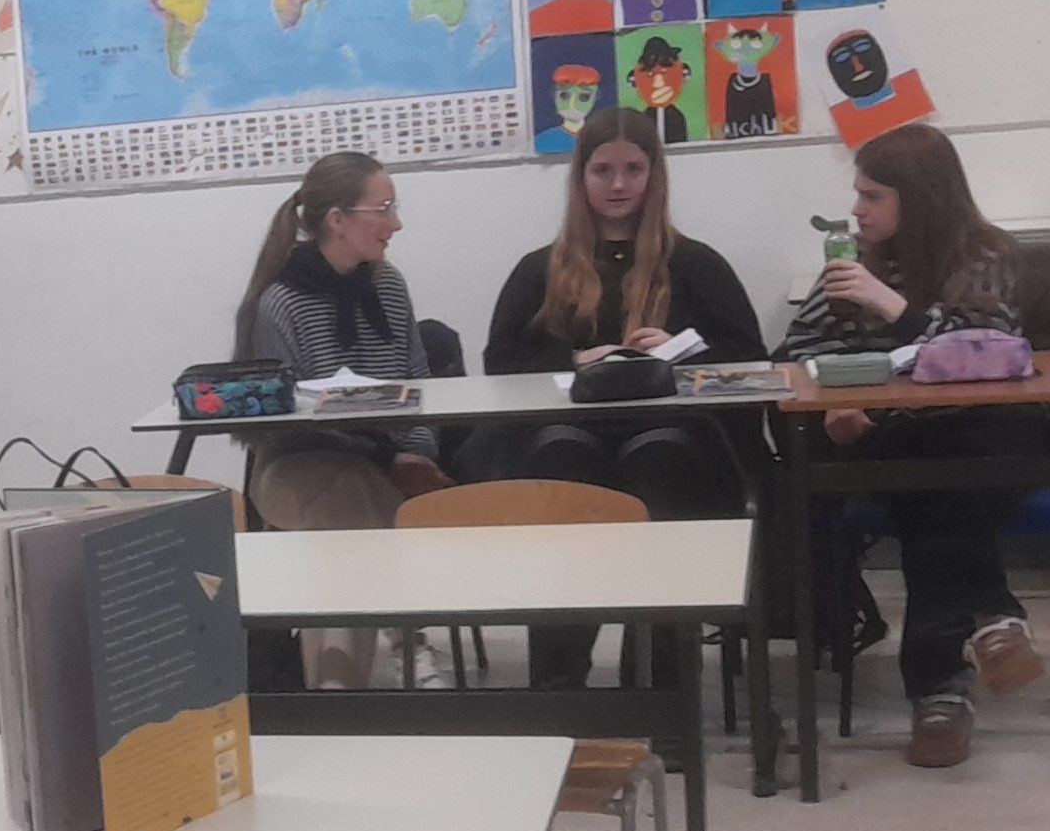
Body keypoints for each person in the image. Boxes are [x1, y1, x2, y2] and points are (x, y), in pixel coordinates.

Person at [776, 123, 1044, 769]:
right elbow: (794, 351)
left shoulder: (986, 256)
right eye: (858, 194)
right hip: (888, 434)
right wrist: (836, 400)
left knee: (939, 478)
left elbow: (985, 352)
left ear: (919, 198)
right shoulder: (855, 264)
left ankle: (939, 691)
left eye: (873, 196)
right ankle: (992, 617)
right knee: (926, 471)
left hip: (981, 439)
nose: (857, 210)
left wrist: (894, 308)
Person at [481, 111, 766, 686]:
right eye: (602, 171)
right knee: (563, 460)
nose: (618, 185)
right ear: (580, 177)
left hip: (674, 442)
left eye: (633, 169)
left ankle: (662, 688)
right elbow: (500, 365)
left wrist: (682, 353)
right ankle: (560, 687)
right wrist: (573, 360)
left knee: (659, 461)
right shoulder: (540, 270)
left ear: (654, 174)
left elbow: (751, 359)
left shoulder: (696, 265)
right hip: (571, 438)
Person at [235, 152, 450, 688]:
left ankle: (335, 691)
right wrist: (390, 457)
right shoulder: (281, 302)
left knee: (348, 513)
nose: (396, 223)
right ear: (338, 220)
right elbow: (285, 426)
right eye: (384, 208)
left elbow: (420, 382)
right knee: (350, 497)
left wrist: (418, 450)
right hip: (293, 471)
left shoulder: (389, 286)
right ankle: (406, 641)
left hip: (389, 466)